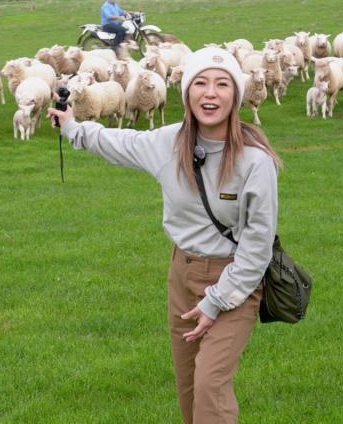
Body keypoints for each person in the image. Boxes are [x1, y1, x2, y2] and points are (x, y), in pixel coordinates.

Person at [48, 47, 281, 424]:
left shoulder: (255, 161)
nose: (210, 93)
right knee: (188, 387)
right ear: (186, 92)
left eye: (222, 84)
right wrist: (74, 128)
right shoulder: (168, 142)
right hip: (182, 274)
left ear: (236, 95)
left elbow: (257, 247)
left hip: (235, 280)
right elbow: (118, 142)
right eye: (200, 83)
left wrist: (216, 301)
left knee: (210, 387)